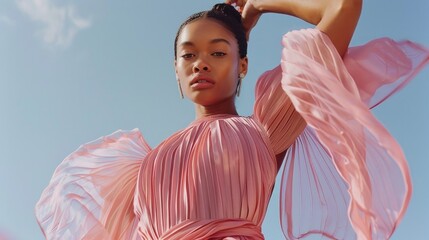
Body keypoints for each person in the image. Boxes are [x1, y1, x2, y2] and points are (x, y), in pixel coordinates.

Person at [35, 0, 429, 239]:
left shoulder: (265, 126)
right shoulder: (141, 165)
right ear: (175, 70)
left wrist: (259, 5)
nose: (200, 62)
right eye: (188, 55)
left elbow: (342, 7)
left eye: (218, 52)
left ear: (242, 65)